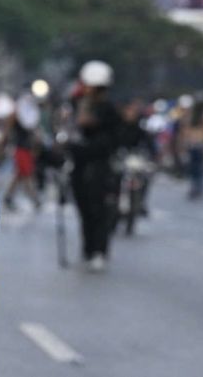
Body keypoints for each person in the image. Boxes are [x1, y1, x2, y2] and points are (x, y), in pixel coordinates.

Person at [68, 61, 120, 273]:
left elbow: (113, 140)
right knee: (84, 210)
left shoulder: (109, 111)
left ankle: (99, 250)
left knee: (100, 211)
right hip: (79, 166)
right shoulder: (75, 104)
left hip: (99, 167)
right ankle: (88, 249)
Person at [181, 93, 203, 200]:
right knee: (197, 168)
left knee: (197, 168)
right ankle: (197, 187)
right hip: (196, 145)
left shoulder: (198, 117)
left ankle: (197, 187)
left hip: (196, 145)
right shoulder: (196, 117)